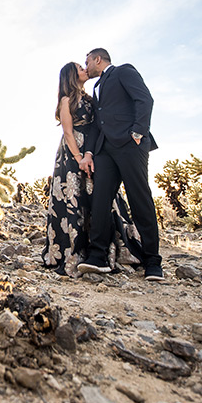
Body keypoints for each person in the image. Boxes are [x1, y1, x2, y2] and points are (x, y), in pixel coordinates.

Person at [43, 62, 143, 277]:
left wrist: (90, 154)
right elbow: (68, 132)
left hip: (94, 150)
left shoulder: (90, 98)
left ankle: (102, 249)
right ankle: (75, 251)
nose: (84, 68)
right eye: (80, 67)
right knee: (75, 198)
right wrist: (79, 157)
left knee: (98, 197)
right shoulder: (66, 100)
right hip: (72, 154)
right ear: (71, 75)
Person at [77, 48, 165, 281]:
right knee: (100, 199)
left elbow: (144, 99)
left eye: (87, 62)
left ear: (98, 59)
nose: (86, 67)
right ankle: (98, 256)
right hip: (104, 150)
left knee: (139, 197)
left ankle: (153, 261)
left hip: (130, 144)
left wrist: (138, 132)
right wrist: (90, 151)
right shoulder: (96, 88)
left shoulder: (124, 71)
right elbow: (97, 123)